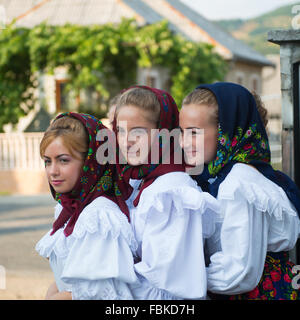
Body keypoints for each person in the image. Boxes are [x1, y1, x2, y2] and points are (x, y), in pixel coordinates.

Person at [179, 81, 300, 300]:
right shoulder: (224, 176)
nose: (184, 142)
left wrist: (180, 280)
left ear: (227, 131)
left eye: (194, 133)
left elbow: (238, 273)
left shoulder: (239, 184)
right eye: (182, 132)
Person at [113, 85, 220, 299]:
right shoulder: (140, 183)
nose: (126, 141)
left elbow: (163, 285)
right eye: (120, 131)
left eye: (138, 131)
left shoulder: (171, 191)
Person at [36, 112, 137, 300]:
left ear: (91, 162)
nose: (52, 171)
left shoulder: (100, 216)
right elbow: (73, 279)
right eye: (48, 161)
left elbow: (102, 293)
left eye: (63, 160)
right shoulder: (69, 210)